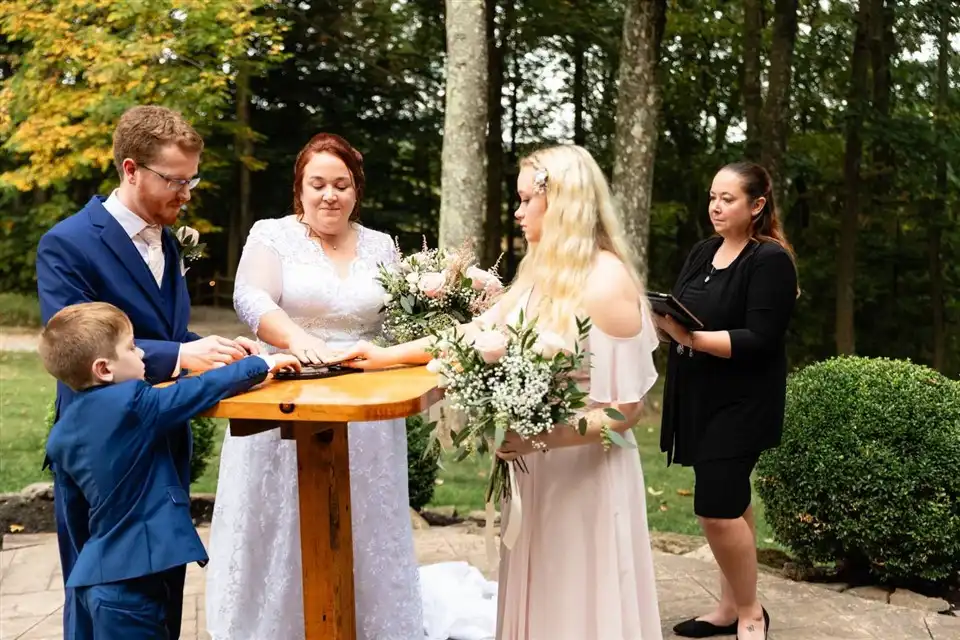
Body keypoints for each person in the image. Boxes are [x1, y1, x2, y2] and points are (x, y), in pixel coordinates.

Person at [340, 145, 664, 640]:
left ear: (561, 202)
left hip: (586, 478)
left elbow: (626, 413)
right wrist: (386, 355)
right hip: (537, 472)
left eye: (525, 199)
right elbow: (477, 332)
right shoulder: (542, 273)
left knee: (577, 602)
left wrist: (540, 438)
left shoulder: (606, 282)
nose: (517, 212)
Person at [35, 105, 254, 638]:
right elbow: (77, 347)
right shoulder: (67, 243)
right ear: (131, 170)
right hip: (103, 449)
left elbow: (167, 331)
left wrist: (218, 349)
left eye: (192, 179)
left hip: (163, 437)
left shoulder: (167, 240)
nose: (187, 193)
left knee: (162, 587)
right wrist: (181, 358)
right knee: (99, 594)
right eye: (176, 180)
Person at [205, 133, 423, 640]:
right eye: (318, 184)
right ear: (299, 188)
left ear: (356, 189)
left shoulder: (381, 246)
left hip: (364, 401)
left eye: (341, 185)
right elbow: (251, 298)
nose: (330, 195)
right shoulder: (271, 235)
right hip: (288, 389)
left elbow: (397, 322)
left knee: (364, 519)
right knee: (285, 517)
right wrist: (301, 342)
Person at [39, 302, 300, 639]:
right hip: (132, 585)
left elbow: (75, 515)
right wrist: (263, 363)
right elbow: (200, 390)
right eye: (131, 348)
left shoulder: (61, 433)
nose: (142, 354)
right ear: (103, 369)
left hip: (98, 576)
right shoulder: (134, 404)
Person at [654, 161, 798, 640]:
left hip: (743, 401)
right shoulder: (703, 251)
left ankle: (752, 611)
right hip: (699, 397)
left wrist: (690, 338)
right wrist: (663, 321)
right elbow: (685, 313)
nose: (715, 206)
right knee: (732, 501)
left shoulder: (770, 260)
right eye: (712, 197)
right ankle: (729, 606)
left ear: (757, 206)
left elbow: (760, 338)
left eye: (728, 199)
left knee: (715, 509)